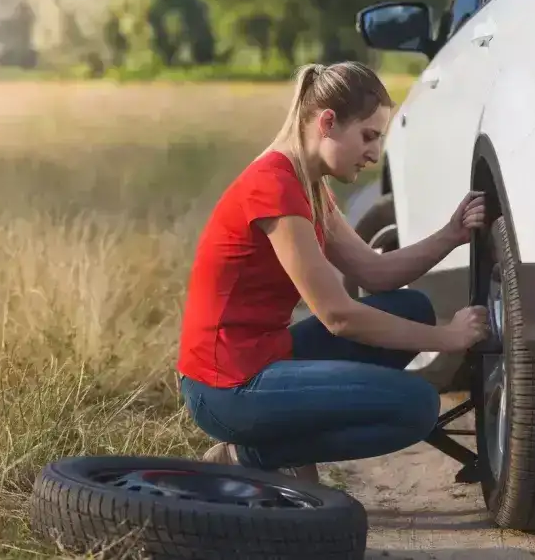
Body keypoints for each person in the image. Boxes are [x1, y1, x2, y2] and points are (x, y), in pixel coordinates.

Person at [177, 61, 489, 483]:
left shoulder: (308, 184)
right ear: (327, 122)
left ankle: (274, 446)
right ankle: (252, 453)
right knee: (415, 406)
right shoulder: (273, 185)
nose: (375, 154)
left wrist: (451, 235)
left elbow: (375, 273)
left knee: (411, 306)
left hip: (266, 356)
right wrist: (445, 339)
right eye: (368, 136)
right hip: (226, 387)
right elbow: (337, 316)